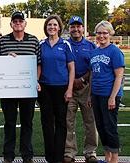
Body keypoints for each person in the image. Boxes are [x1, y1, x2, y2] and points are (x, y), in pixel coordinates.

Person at [0, 11, 41, 163]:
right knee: (9, 122)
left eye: (20, 21)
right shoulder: (3, 41)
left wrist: (36, 80)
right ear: (11, 24)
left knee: (27, 123)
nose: (18, 23)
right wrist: (6, 58)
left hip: (27, 89)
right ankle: (8, 155)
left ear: (25, 23)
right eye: (15, 21)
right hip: (8, 88)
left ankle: (27, 155)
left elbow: (38, 64)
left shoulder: (34, 40)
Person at [37, 15, 75, 163]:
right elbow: (37, 65)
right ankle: (49, 157)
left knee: (61, 123)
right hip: (45, 88)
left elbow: (71, 68)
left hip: (62, 88)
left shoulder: (65, 44)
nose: (52, 27)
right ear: (46, 28)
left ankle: (59, 157)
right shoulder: (41, 44)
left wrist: (70, 89)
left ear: (59, 27)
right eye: (49, 25)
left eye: (54, 25)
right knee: (47, 123)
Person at [63, 16, 98, 163]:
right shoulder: (64, 44)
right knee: (68, 121)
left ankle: (90, 152)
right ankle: (69, 152)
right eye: (73, 26)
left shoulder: (90, 46)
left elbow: (94, 67)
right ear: (69, 28)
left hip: (86, 87)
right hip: (69, 88)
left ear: (83, 28)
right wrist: (71, 83)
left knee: (90, 121)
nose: (76, 29)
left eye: (78, 26)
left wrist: (83, 79)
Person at [89, 20, 124, 163]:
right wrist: (90, 95)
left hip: (109, 95)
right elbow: (92, 75)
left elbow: (119, 76)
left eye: (105, 33)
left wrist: (112, 97)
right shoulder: (94, 52)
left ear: (110, 34)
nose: (102, 35)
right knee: (101, 127)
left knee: (110, 127)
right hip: (96, 94)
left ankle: (114, 159)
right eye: (99, 33)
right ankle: (107, 157)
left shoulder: (115, 51)